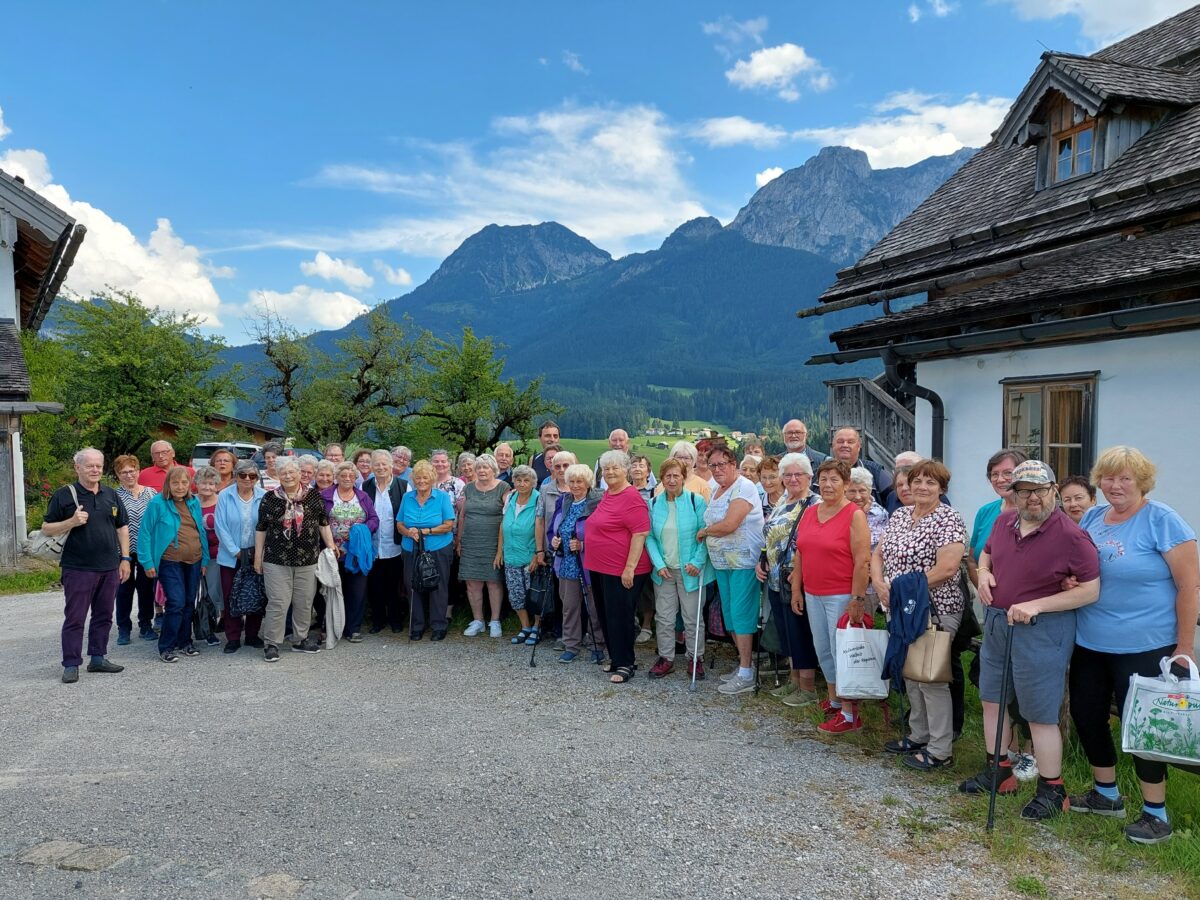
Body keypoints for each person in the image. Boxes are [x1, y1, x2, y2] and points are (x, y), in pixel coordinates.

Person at [1068, 446, 1199, 845]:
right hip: (1091, 640)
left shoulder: (1163, 521)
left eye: (1124, 478)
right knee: (1087, 714)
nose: (1115, 485)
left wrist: (1184, 648)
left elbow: (1189, 587)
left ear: (1141, 481)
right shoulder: (1092, 517)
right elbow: (1083, 567)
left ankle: (1155, 813)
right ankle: (1106, 794)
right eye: (1108, 478)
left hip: (1145, 645)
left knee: (1144, 727)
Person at [961, 460, 1101, 820]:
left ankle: (1053, 790)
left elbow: (1090, 590)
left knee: (1039, 713)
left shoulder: (1071, 536)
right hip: (997, 622)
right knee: (992, 699)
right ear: (1015, 494)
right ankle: (1000, 770)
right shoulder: (1004, 522)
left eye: (1040, 490)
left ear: (1053, 491)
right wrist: (985, 576)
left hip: (1042, 631)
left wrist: (1037, 604)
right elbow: (986, 554)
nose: (1033, 497)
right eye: (1025, 490)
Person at [872, 460, 967, 770]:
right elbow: (878, 553)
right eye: (917, 481)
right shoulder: (899, 515)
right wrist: (877, 581)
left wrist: (901, 588)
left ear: (942, 488)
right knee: (910, 672)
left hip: (936, 609)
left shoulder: (947, 518)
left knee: (930, 677)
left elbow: (948, 568)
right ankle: (919, 734)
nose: (922, 487)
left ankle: (940, 750)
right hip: (899, 609)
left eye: (930, 482)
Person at [790, 459, 872, 732]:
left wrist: (857, 598)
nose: (827, 484)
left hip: (841, 594)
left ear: (846, 484)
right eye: (823, 479)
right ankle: (835, 700)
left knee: (842, 653)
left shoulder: (854, 515)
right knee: (823, 650)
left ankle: (850, 715)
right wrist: (796, 589)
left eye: (834, 479)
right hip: (812, 592)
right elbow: (801, 551)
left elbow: (862, 561)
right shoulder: (811, 512)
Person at [41, 448, 130, 683]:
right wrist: (71, 521)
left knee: (104, 615)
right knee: (75, 617)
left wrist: (125, 559)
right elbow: (46, 528)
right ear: (77, 468)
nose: (95, 470)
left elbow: (122, 527)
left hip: (110, 566)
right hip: (78, 567)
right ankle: (71, 663)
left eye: (99, 466)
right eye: (89, 465)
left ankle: (98, 658)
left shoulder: (111, 494)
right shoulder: (64, 495)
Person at [253, 457, 336, 662]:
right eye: (284, 473)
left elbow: (323, 523)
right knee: (278, 602)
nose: (288, 476)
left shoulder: (313, 496)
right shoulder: (269, 498)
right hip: (275, 559)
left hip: (308, 559)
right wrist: (258, 558)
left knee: (304, 601)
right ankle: (271, 643)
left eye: (292, 472)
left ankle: (300, 639)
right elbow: (261, 529)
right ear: (278, 476)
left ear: (300, 473)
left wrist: (332, 546)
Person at [699, 443, 766, 696]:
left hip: (743, 562)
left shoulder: (744, 487)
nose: (717, 469)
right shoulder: (716, 489)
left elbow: (730, 524)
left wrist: (704, 532)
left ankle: (747, 672)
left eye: (722, 464)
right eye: (712, 465)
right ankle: (742, 667)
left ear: (733, 464)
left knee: (741, 615)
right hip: (723, 563)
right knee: (729, 615)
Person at [584, 450, 652, 684]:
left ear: (626, 470)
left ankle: (625, 664)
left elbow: (640, 533)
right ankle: (616, 658)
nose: (610, 472)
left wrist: (629, 568)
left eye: (616, 467)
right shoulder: (608, 494)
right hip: (600, 566)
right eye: (607, 468)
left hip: (622, 568)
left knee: (620, 616)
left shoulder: (632, 497)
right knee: (606, 615)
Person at [759, 454, 820, 705]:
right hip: (776, 578)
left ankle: (807, 689)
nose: (793, 479)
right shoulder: (784, 500)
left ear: (809, 477)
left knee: (800, 632)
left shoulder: (815, 503)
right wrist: (761, 561)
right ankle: (793, 682)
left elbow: (814, 543)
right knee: (786, 632)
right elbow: (771, 536)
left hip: (798, 578)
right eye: (788, 474)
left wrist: (800, 572)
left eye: (798, 474)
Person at [646, 458, 711, 679]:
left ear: (684, 477)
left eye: (676, 475)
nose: (672, 480)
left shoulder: (696, 501)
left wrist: (697, 561)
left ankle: (695, 658)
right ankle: (666, 658)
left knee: (692, 617)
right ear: (661, 479)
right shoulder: (654, 504)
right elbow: (650, 538)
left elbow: (705, 533)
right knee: (664, 617)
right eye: (667, 476)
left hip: (690, 570)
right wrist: (659, 564)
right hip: (664, 571)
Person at [140, 466, 208, 663]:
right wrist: (147, 562)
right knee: (176, 602)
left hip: (194, 560)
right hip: (170, 561)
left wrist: (204, 559)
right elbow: (145, 533)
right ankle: (166, 646)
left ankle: (185, 641)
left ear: (190, 485)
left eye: (184, 482)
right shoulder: (157, 503)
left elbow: (200, 531)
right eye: (175, 482)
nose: (180, 487)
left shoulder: (193, 502)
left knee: (188, 602)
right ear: (168, 484)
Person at [549, 463, 605, 663]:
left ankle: (596, 644)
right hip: (565, 563)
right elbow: (553, 529)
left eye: (579, 481)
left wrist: (583, 544)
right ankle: (571, 644)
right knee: (569, 606)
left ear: (588, 482)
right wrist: (554, 540)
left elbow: (604, 534)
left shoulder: (597, 503)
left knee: (594, 607)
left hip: (589, 563)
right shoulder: (563, 501)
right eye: (571, 481)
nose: (575, 485)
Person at [397, 460, 457, 641]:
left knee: (437, 585)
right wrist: (408, 532)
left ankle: (439, 625)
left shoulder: (442, 497)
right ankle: (417, 626)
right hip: (411, 548)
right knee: (412, 585)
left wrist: (426, 531)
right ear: (413, 479)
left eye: (425, 477)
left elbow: (448, 525)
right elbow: (399, 523)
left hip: (437, 548)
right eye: (418, 478)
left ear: (431, 479)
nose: (421, 481)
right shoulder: (407, 498)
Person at [322, 461, 379, 643]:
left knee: (357, 592)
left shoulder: (362, 497)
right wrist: (329, 543)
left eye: (351, 476)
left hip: (356, 553)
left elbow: (374, 519)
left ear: (356, 478)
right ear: (337, 477)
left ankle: (353, 628)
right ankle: (330, 627)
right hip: (332, 552)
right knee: (331, 591)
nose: (347, 479)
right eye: (343, 475)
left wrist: (361, 530)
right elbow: (318, 521)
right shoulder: (325, 496)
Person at [214, 460, 266, 652]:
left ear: (257, 478)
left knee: (256, 594)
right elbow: (220, 526)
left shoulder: (264, 496)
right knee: (230, 596)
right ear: (236, 476)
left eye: (252, 476)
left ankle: (252, 635)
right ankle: (233, 637)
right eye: (242, 475)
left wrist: (258, 554)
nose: (247, 479)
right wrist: (235, 551)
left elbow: (266, 526)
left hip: (256, 553)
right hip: (230, 555)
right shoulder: (224, 496)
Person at [456, 453, 511, 637]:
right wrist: (459, 540)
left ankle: (494, 621)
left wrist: (502, 547)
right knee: (472, 583)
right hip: (470, 541)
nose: (481, 470)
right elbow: (462, 516)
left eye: (485, 467)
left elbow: (508, 515)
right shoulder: (469, 488)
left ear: (493, 469)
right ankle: (478, 620)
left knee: (493, 581)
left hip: (493, 542)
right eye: (478, 467)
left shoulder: (503, 487)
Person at [362, 449, 409, 634]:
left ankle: (395, 620)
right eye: (377, 464)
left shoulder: (404, 486)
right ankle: (378, 620)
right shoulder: (365, 487)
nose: (380, 467)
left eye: (384, 464)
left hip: (395, 545)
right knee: (375, 586)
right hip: (373, 546)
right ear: (372, 467)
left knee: (394, 585)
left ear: (391, 466)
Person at [113, 453, 157, 644]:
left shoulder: (151, 493)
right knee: (124, 590)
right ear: (117, 474)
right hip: (124, 550)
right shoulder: (113, 496)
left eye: (132, 471)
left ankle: (146, 624)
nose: (129, 475)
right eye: (124, 472)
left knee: (146, 589)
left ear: (138, 471)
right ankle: (123, 628)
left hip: (146, 549)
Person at [498, 465, 541, 645]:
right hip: (511, 555)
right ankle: (525, 627)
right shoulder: (510, 498)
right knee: (516, 595)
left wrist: (537, 555)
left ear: (533, 482)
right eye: (518, 480)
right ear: (513, 481)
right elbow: (502, 525)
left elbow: (541, 527)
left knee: (535, 596)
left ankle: (538, 628)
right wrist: (499, 550)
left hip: (530, 555)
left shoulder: (538, 500)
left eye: (526, 480)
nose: (522, 484)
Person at [194, 465, 225, 647]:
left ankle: (210, 629)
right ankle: (193, 627)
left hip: (216, 555)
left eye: (211, 484)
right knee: (193, 594)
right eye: (203, 483)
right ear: (196, 484)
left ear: (217, 485)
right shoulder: (190, 501)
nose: (207, 487)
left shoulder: (222, 501)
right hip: (192, 555)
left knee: (213, 594)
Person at [830, 427, 891, 502]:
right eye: (840, 441)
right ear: (833, 445)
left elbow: (894, 501)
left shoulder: (876, 473)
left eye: (850, 442)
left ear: (859, 446)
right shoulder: (821, 474)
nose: (845, 445)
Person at [531, 419, 561, 484]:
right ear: (539, 438)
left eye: (555, 436)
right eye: (548, 436)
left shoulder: (569, 458)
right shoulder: (534, 459)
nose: (552, 439)